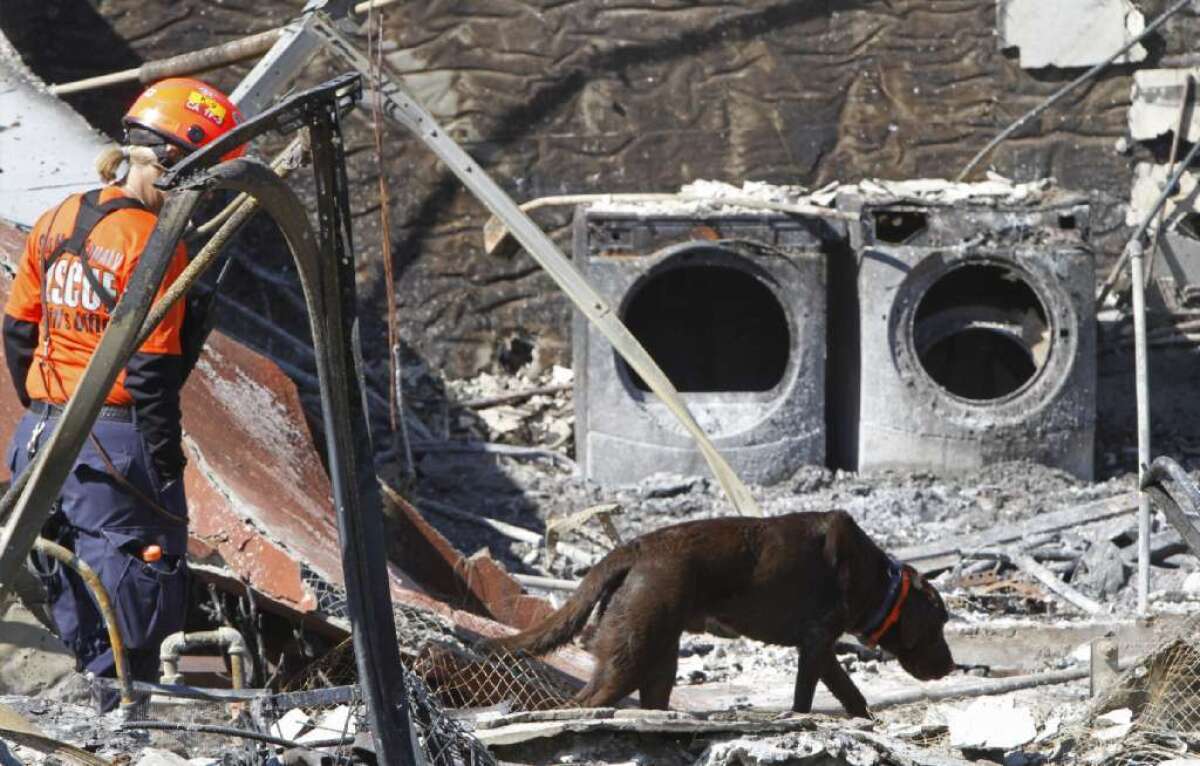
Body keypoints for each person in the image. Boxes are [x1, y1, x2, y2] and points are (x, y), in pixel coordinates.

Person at [2, 77, 244, 711]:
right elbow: (151, 371)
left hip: (41, 436)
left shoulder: (56, 219)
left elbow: (19, 327)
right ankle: (132, 722)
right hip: (115, 440)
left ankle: (86, 711)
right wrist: (162, 462)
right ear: (172, 160)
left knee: (65, 578)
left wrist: (41, 410)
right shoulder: (155, 245)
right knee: (142, 582)